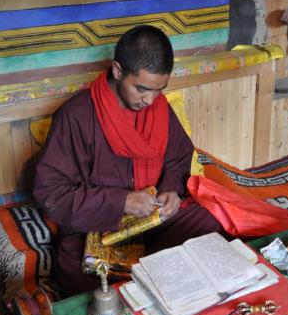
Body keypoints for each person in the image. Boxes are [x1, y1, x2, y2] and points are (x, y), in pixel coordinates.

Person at [33, 25, 227, 297]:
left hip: (152, 219)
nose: (150, 100)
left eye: (159, 90)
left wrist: (170, 188)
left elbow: (179, 155)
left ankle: (164, 284)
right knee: (81, 279)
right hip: (96, 227)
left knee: (208, 225)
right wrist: (120, 201)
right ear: (117, 70)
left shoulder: (158, 107)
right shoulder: (76, 116)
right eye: (141, 89)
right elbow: (52, 193)